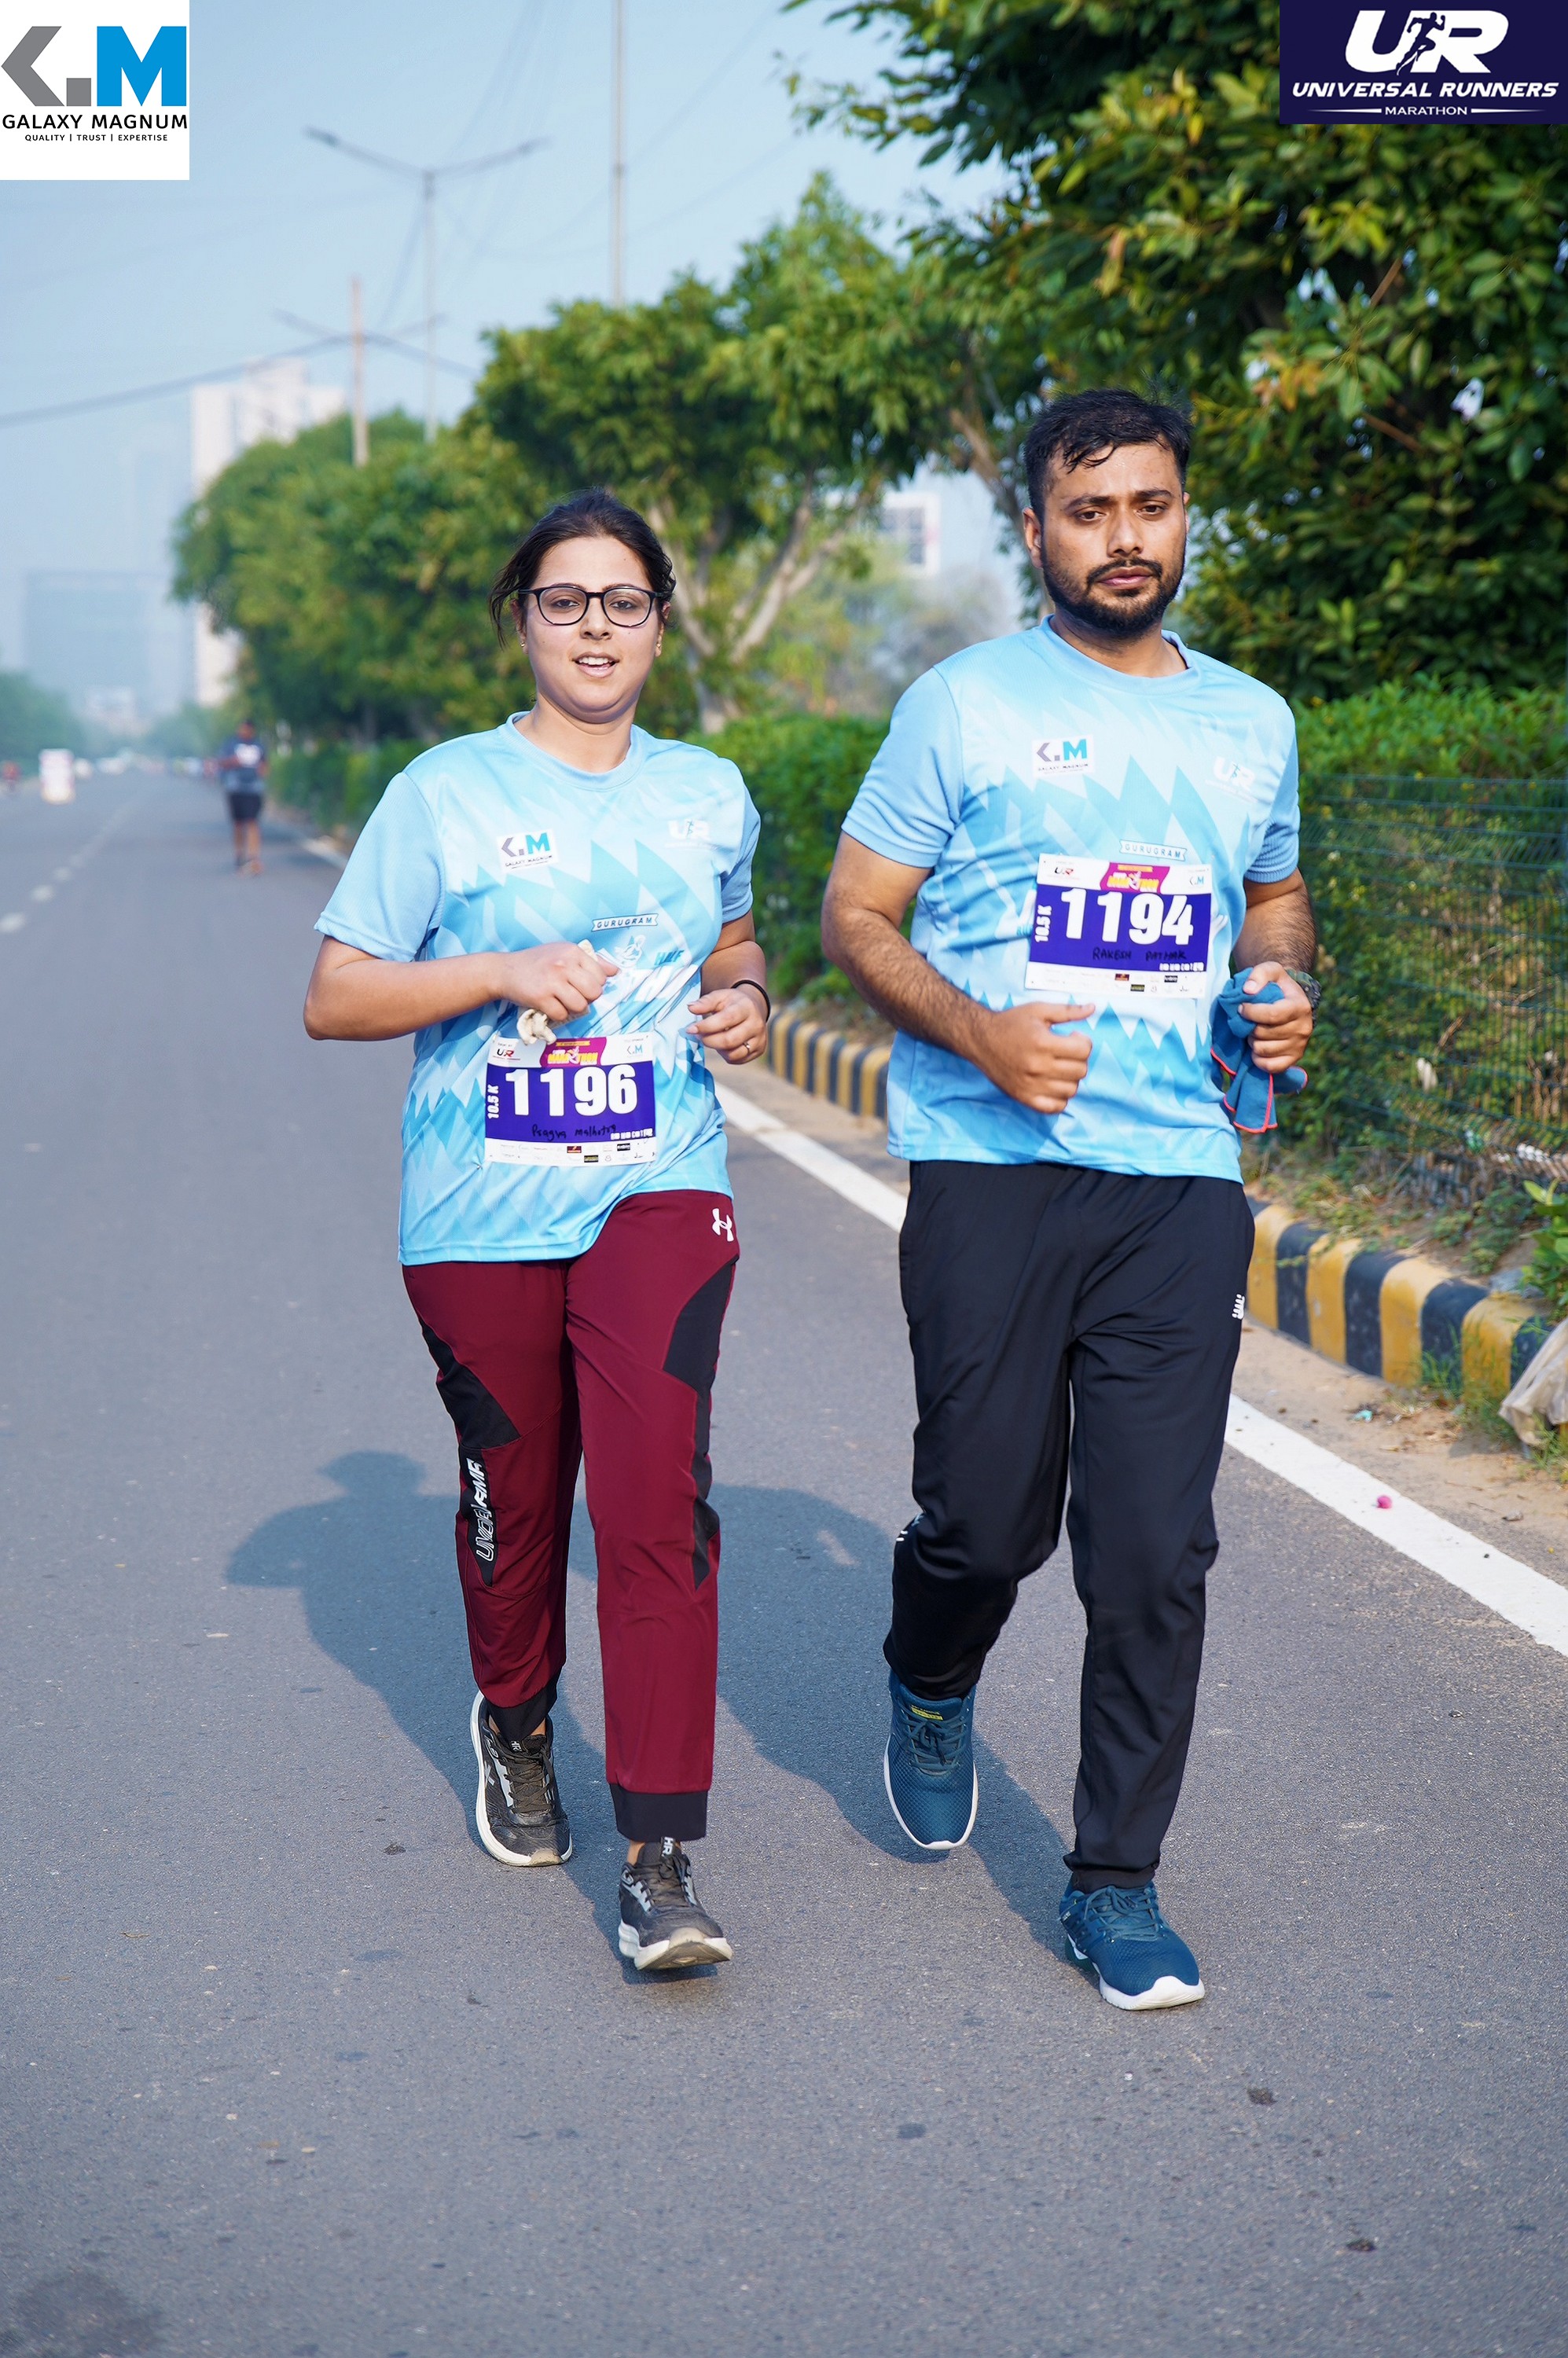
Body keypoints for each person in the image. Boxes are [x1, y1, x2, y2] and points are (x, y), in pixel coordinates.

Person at [821, 390, 1318, 2011]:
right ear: (1033, 528)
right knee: (985, 1520)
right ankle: (930, 1671)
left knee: (1154, 1549)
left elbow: (1273, 895)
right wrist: (978, 1034)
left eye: (1151, 506)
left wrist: (1277, 982)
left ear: (1185, 517)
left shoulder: (1249, 720)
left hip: (1178, 1174)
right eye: (1090, 510)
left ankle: (1115, 1882)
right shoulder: (961, 706)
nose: (1125, 538)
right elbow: (855, 914)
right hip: (990, 1165)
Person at [303, 489, 769, 1973]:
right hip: (479, 1204)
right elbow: (336, 994)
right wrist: (498, 970)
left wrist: (747, 998)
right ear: (523, 621)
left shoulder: (708, 792)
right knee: (516, 1505)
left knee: (654, 1502)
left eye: (623, 603)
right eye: (564, 602)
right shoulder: (442, 793)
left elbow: (734, 942)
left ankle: (660, 1859)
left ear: (660, 624)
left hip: (660, 1182)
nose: (595, 630)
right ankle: (514, 1717)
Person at [218, 720, 268, 872]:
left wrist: (262, 770)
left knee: (253, 821)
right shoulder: (231, 744)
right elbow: (222, 762)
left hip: (253, 789)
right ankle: (240, 855)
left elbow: (265, 765)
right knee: (238, 823)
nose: (244, 732)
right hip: (236, 788)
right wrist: (234, 761)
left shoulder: (259, 746)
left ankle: (254, 857)